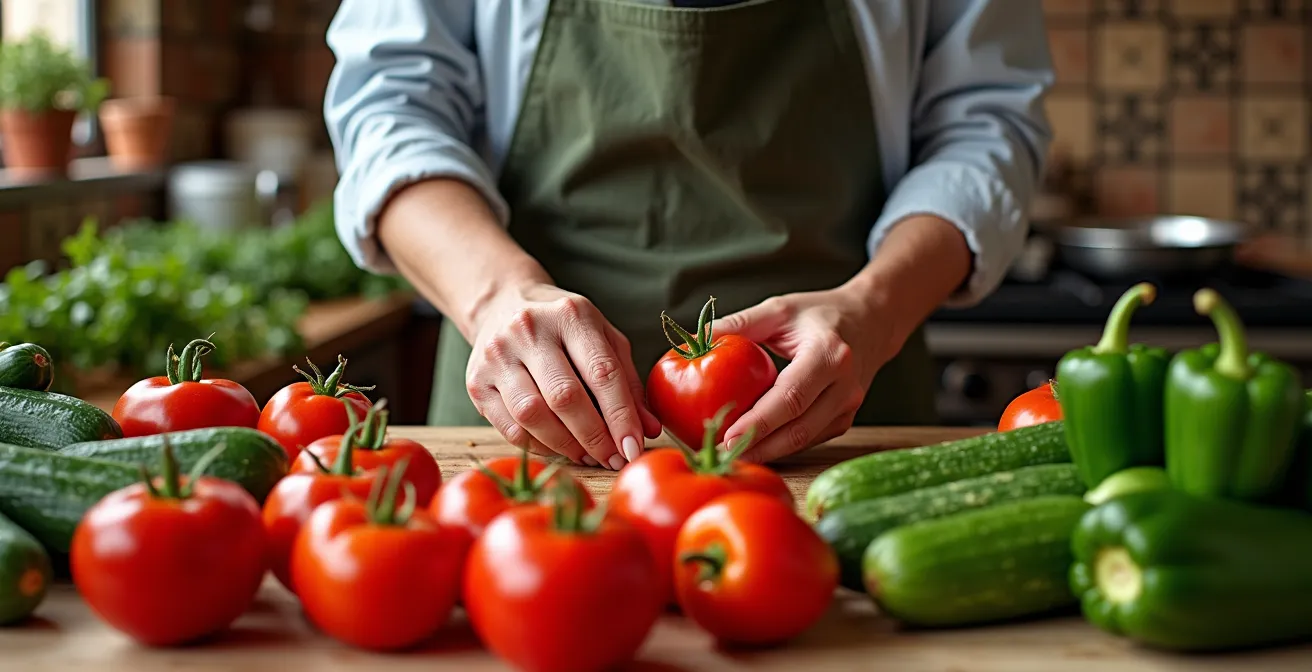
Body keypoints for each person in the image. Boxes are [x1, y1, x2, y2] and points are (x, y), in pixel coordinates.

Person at [323, 0, 1054, 471]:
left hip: (842, 416)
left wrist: (876, 307)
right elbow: (389, 107)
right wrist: (495, 297)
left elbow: (986, 124)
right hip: (525, 412)